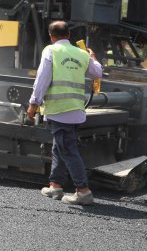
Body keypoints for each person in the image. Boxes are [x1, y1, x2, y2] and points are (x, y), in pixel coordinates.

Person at [27, 21, 103, 205]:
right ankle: (56, 186)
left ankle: (83, 191)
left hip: (59, 108)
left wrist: (33, 103)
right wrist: (92, 58)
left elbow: (42, 78)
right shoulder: (81, 54)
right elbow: (97, 72)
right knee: (59, 147)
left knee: (67, 149)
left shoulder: (51, 51)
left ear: (51, 36)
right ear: (68, 35)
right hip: (76, 109)